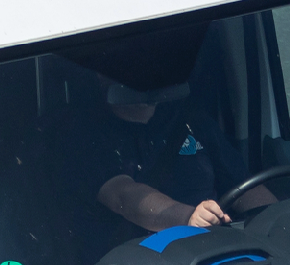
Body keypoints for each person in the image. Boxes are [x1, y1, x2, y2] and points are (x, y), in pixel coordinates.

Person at [78, 79, 276, 241]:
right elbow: (123, 196)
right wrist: (188, 218)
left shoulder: (190, 119)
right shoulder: (84, 134)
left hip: (212, 247)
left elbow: (243, 185)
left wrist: (279, 222)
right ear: (101, 76)